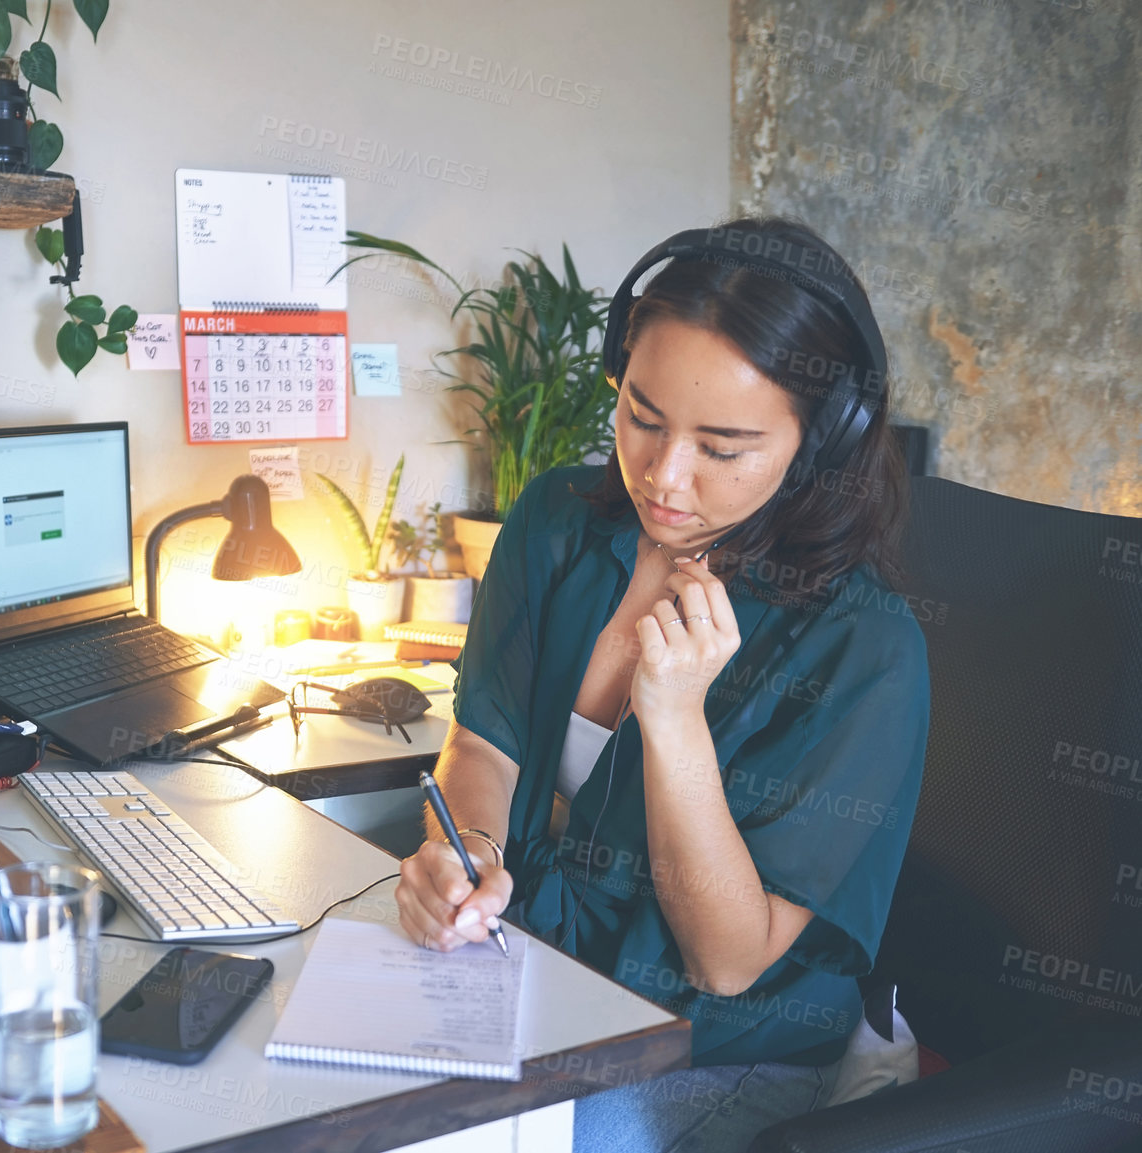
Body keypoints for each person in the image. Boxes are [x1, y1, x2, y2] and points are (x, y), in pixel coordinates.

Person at [393, 216, 931, 1152]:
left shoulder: (865, 647)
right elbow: (482, 741)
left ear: (821, 441)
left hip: (716, 1045)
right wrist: (467, 850)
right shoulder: (559, 520)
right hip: (534, 977)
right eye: (641, 416)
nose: (663, 475)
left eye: (721, 448)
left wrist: (675, 718)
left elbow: (727, 962)